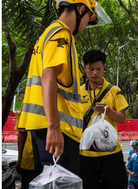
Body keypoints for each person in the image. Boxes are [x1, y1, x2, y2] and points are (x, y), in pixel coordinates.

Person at [16, 0, 110, 177]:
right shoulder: (61, 34)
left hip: (45, 129)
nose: (86, 24)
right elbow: (48, 77)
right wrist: (53, 127)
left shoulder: (48, 34)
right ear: (81, 9)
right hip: (56, 131)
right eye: (88, 18)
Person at [79, 49, 129, 189]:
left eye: (98, 69)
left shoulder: (114, 91)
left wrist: (108, 110)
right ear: (85, 68)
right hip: (86, 152)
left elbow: (122, 118)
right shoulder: (78, 92)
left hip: (110, 151)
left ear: (104, 67)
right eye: (91, 69)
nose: (95, 73)